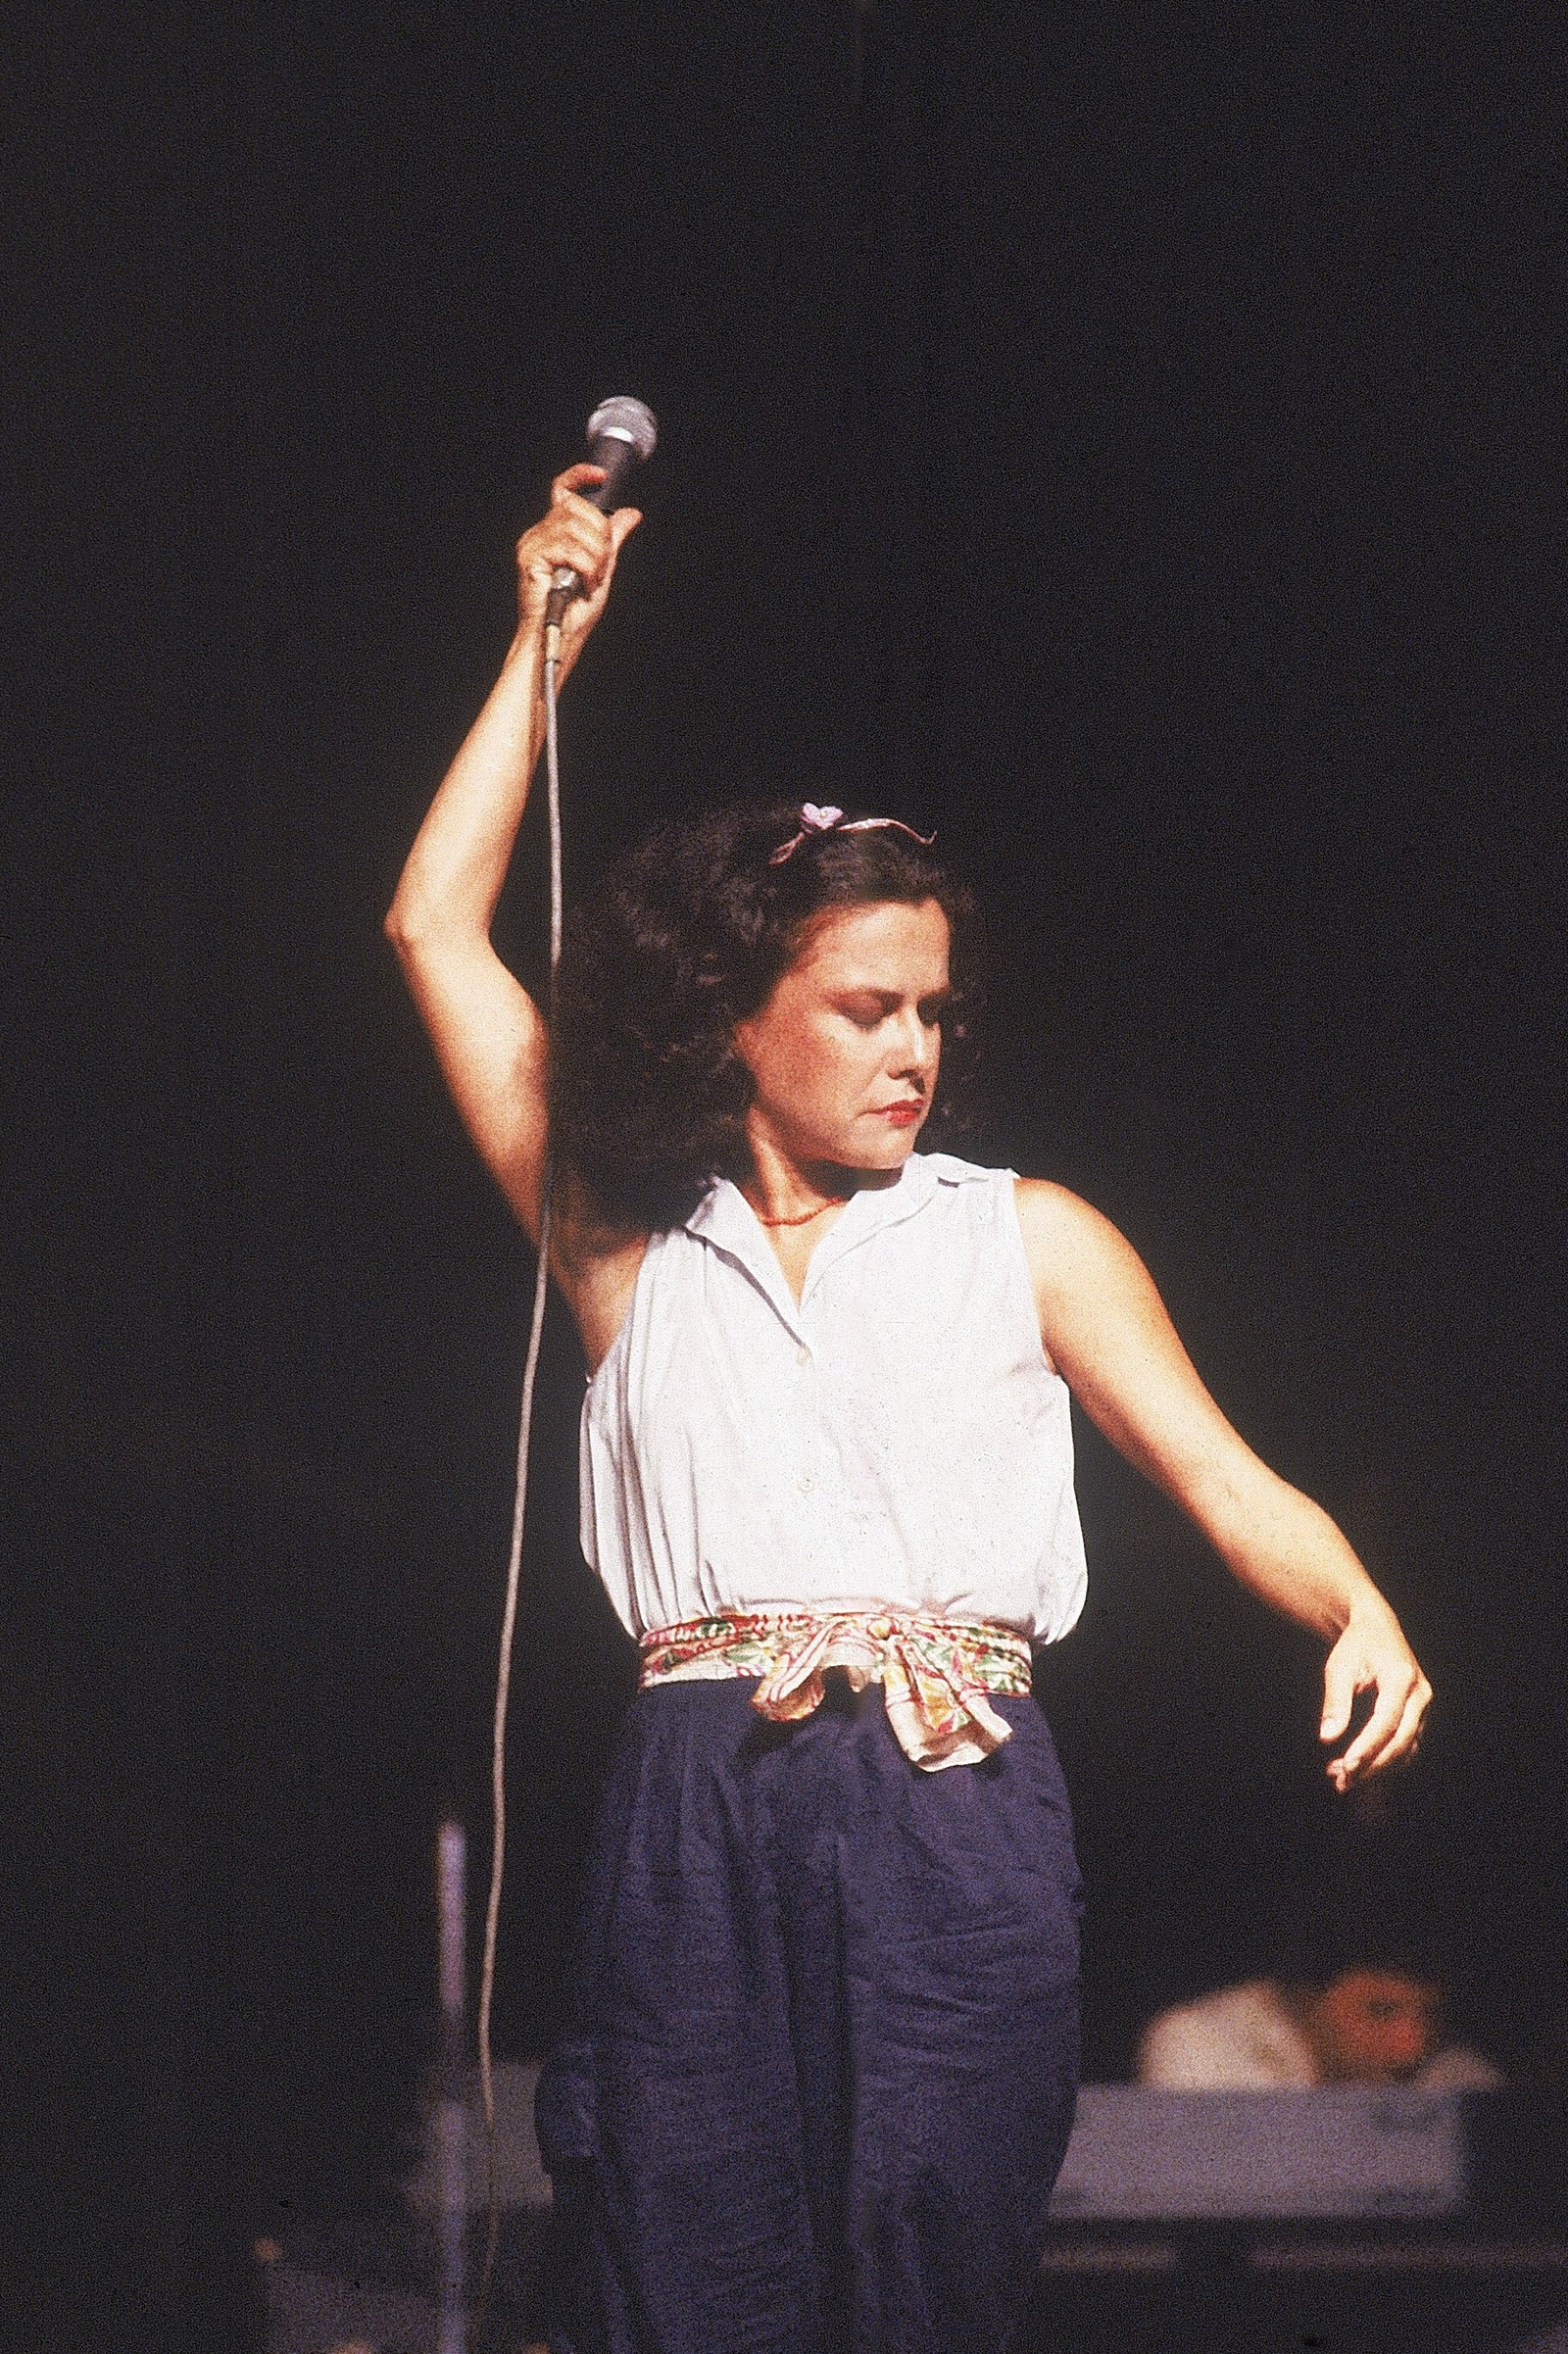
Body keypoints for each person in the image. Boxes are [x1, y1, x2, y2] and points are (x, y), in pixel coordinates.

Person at [386, 466, 1433, 2354]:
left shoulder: (1023, 1235)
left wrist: (1352, 1598)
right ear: (735, 1014)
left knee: (926, 2270)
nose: (913, 1048)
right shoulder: (627, 1247)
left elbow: (1225, 1477)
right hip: (700, 1796)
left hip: (952, 1799)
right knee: (684, 2266)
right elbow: (432, 933)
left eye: (933, 1011)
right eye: (865, 1007)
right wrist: (545, 654)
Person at [1138, 1963, 1501, 2091]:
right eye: (1380, 2012)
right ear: (1305, 2000)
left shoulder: (1456, 2073)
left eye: (1429, 2016)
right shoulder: (1200, 2045)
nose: (1411, 2048)